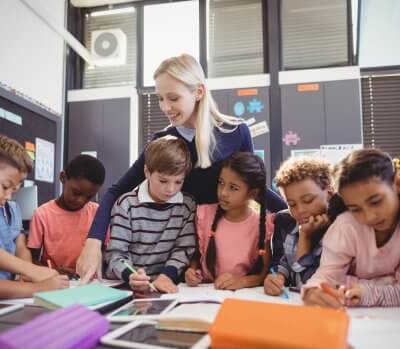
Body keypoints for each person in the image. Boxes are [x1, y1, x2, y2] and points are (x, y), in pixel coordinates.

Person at [77, 53, 286, 283]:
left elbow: (255, 187)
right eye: (160, 98)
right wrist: (93, 242)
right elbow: (116, 191)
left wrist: (293, 212)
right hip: (183, 249)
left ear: (198, 92)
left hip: (224, 241)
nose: (165, 107)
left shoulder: (235, 132)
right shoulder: (163, 141)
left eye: (173, 98)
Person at [303, 149, 400, 307]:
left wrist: (364, 291)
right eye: (355, 209)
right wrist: (313, 291)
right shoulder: (346, 227)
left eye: (376, 201)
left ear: (396, 183)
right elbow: (325, 277)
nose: (369, 217)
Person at [105, 136, 196, 294]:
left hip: (166, 286)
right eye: (163, 181)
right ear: (147, 171)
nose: (170, 189)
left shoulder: (187, 206)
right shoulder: (126, 204)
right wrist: (131, 276)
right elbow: (116, 254)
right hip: (127, 286)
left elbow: (183, 250)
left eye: (178, 182)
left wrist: (167, 275)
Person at [185, 152, 273, 290]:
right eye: (221, 183)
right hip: (205, 295)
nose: (223, 192)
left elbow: (264, 273)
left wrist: (242, 282)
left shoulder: (261, 225)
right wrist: (192, 272)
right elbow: (196, 257)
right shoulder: (203, 214)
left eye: (233, 188)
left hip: (243, 297)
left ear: (252, 194)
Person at [0, 134, 68, 298]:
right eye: (5, 186)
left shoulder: (10, 209)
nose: (9, 196)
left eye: (15, 190)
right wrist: (37, 283)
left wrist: (27, 272)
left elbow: (20, 243)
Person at [264, 156, 332, 295]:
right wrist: (276, 277)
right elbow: (280, 263)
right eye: (292, 204)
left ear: (329, 194)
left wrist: (304, 237)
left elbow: (307, 285)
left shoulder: (341, 229)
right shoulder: (285, 221)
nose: (300, 210)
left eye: (308, 200)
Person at [28, 154, 105, 275]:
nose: (81, 200)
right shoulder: (42, 214)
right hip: (55, 281)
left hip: (90, 282)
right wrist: (53, 271)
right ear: (63, 177)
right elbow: (31, 261)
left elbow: (106, 254)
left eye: (89, 197)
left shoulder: (98, 213)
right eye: (76, 193)